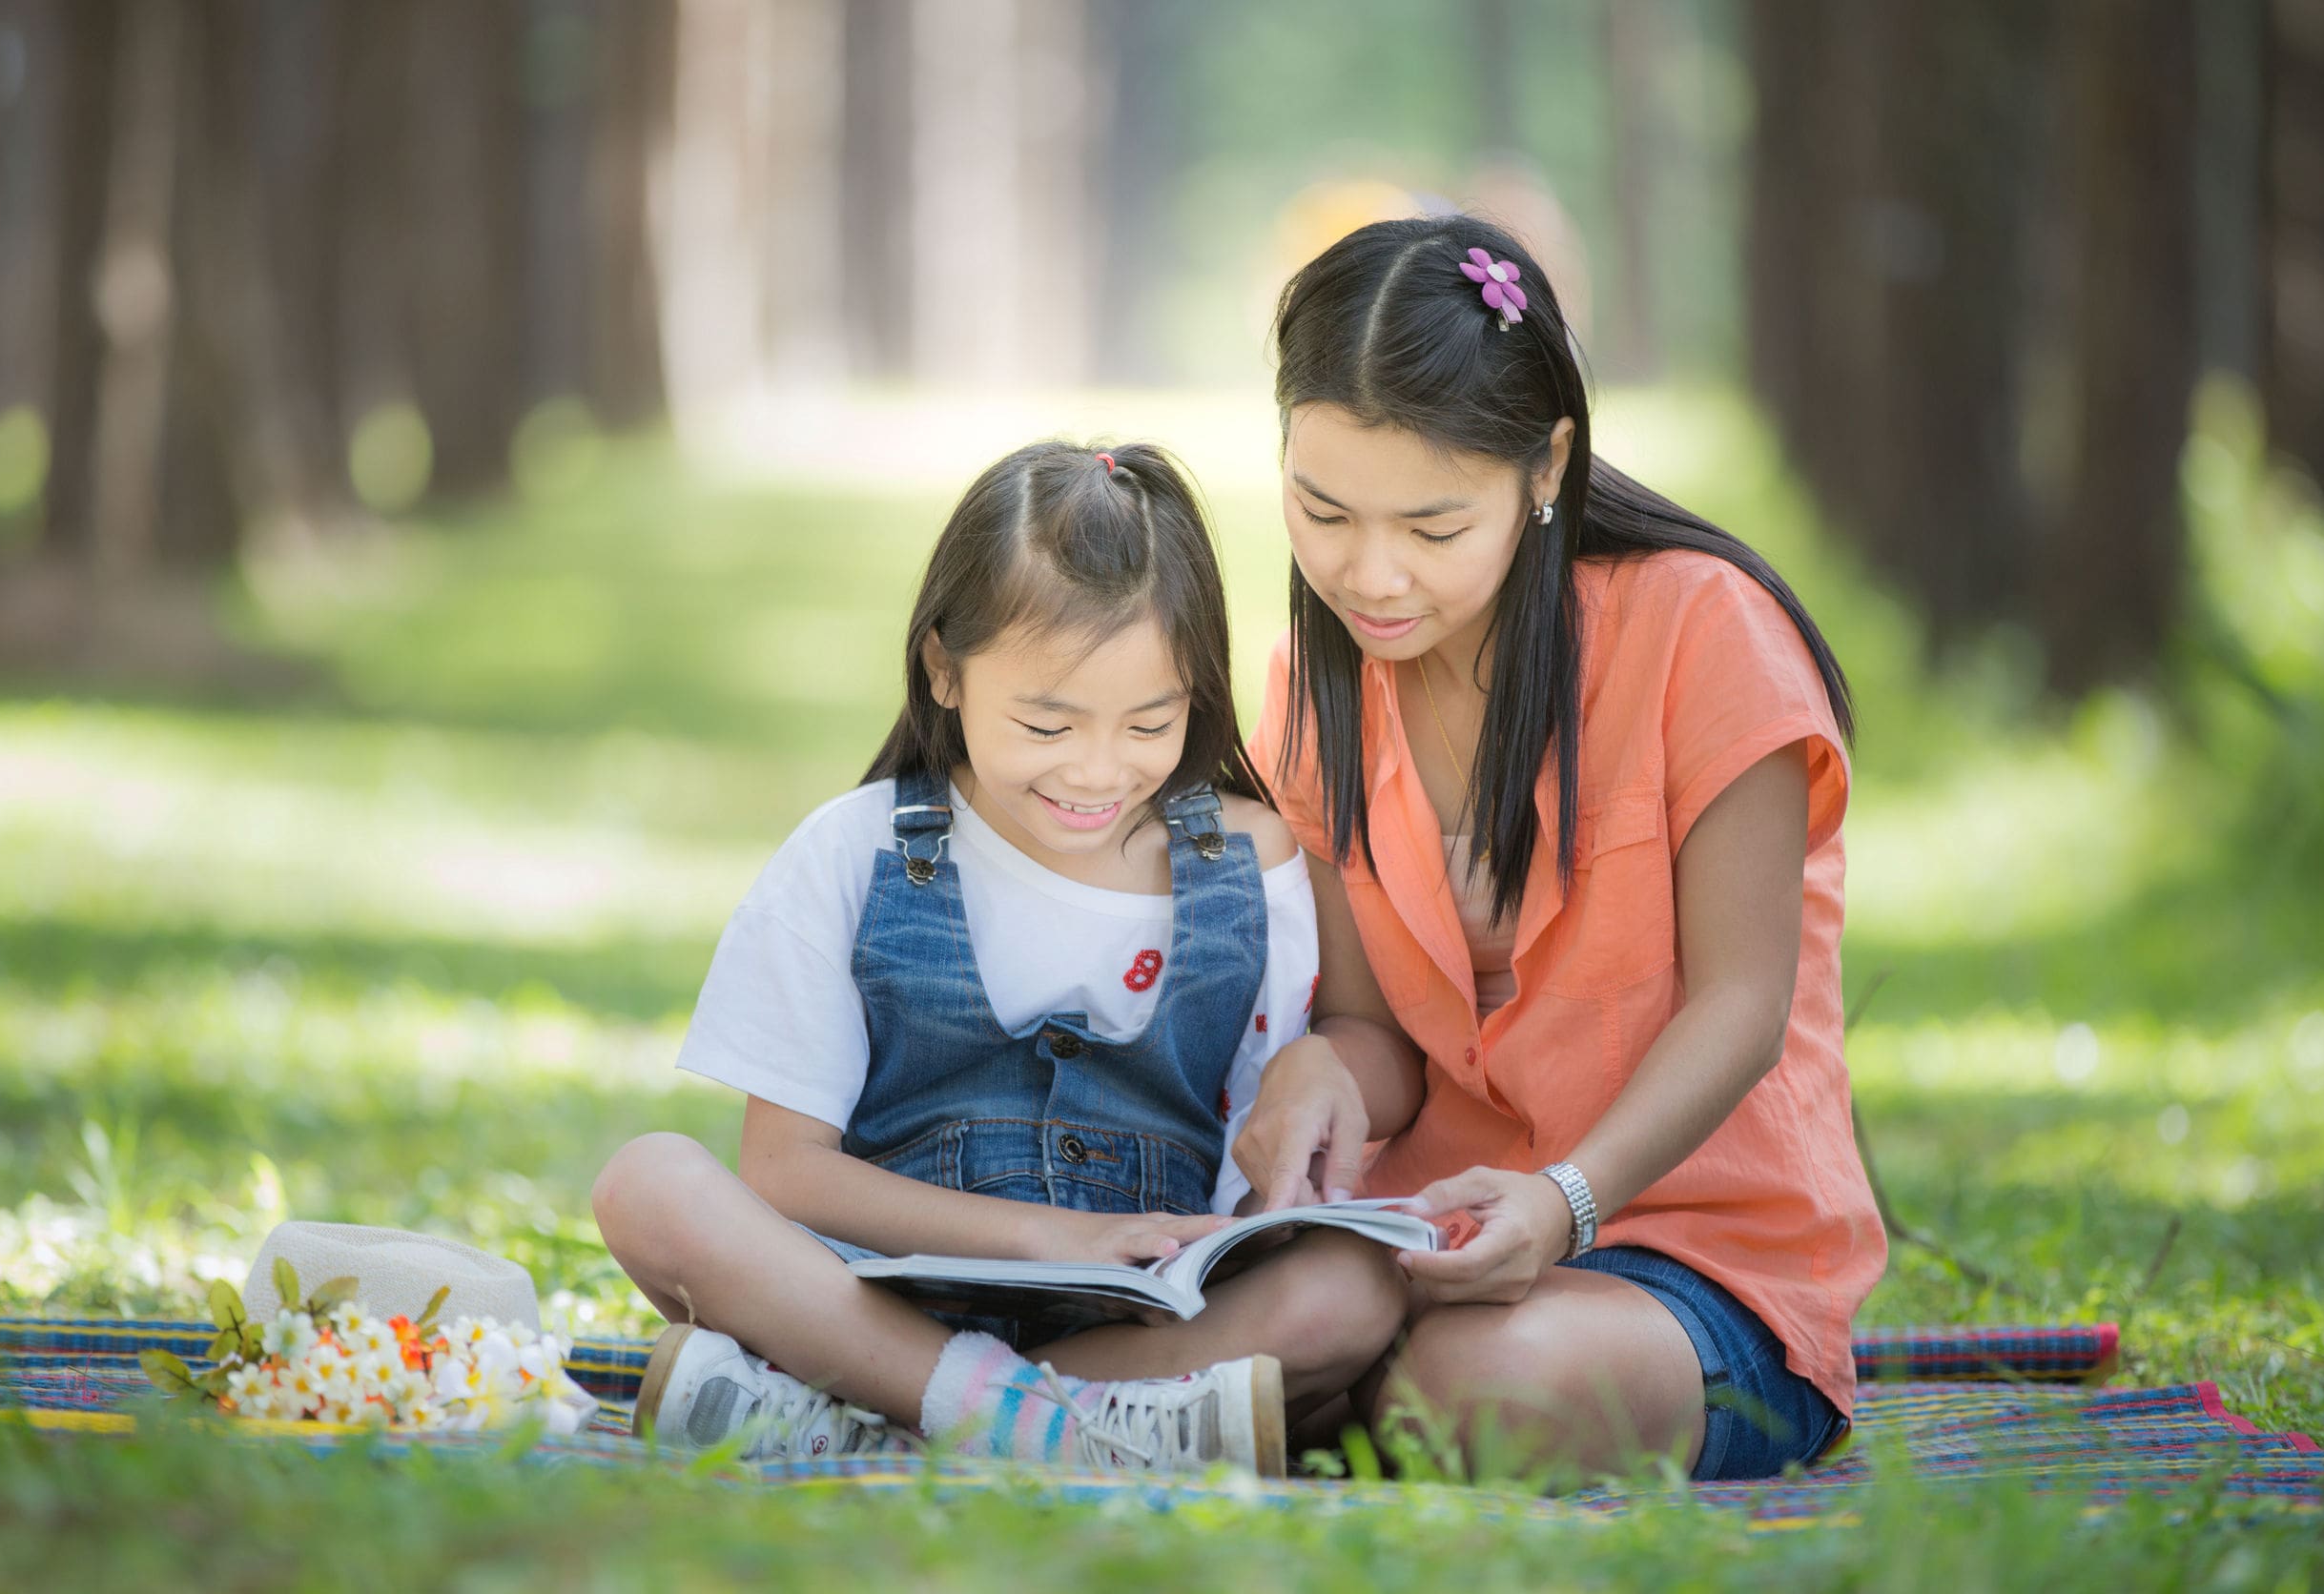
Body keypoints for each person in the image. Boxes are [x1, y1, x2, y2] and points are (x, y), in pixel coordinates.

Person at [591, 439, 1407, 1476]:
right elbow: (785, 1171)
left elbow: (1354, 1054)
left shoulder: (1249, 861)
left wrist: (1296, 1132)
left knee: (1355, 1290)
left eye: (1151, 722)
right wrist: (1043, 1237)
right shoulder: (860, 851)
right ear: (944, 668)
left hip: (1140, 1313)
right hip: (874, 1292)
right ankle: (1050, 1425)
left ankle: (884, 1414)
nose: (1098, 770)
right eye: (1046, 723)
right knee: (649, 1182)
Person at [1234, 216, 1887, 1482]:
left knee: (1483, 1391)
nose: (1369, 576)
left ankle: (1241, 1403)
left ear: (1547, 467)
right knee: (1307, 1323)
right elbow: (1384, 1048)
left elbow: (1744, 1007)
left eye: (1432, 527)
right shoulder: (1314, 686)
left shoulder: (1705, 632)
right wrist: (1316, 1074)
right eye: (1323, 512)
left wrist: (1566, 1202)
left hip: (1699, 1252)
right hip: (1436, 1234)